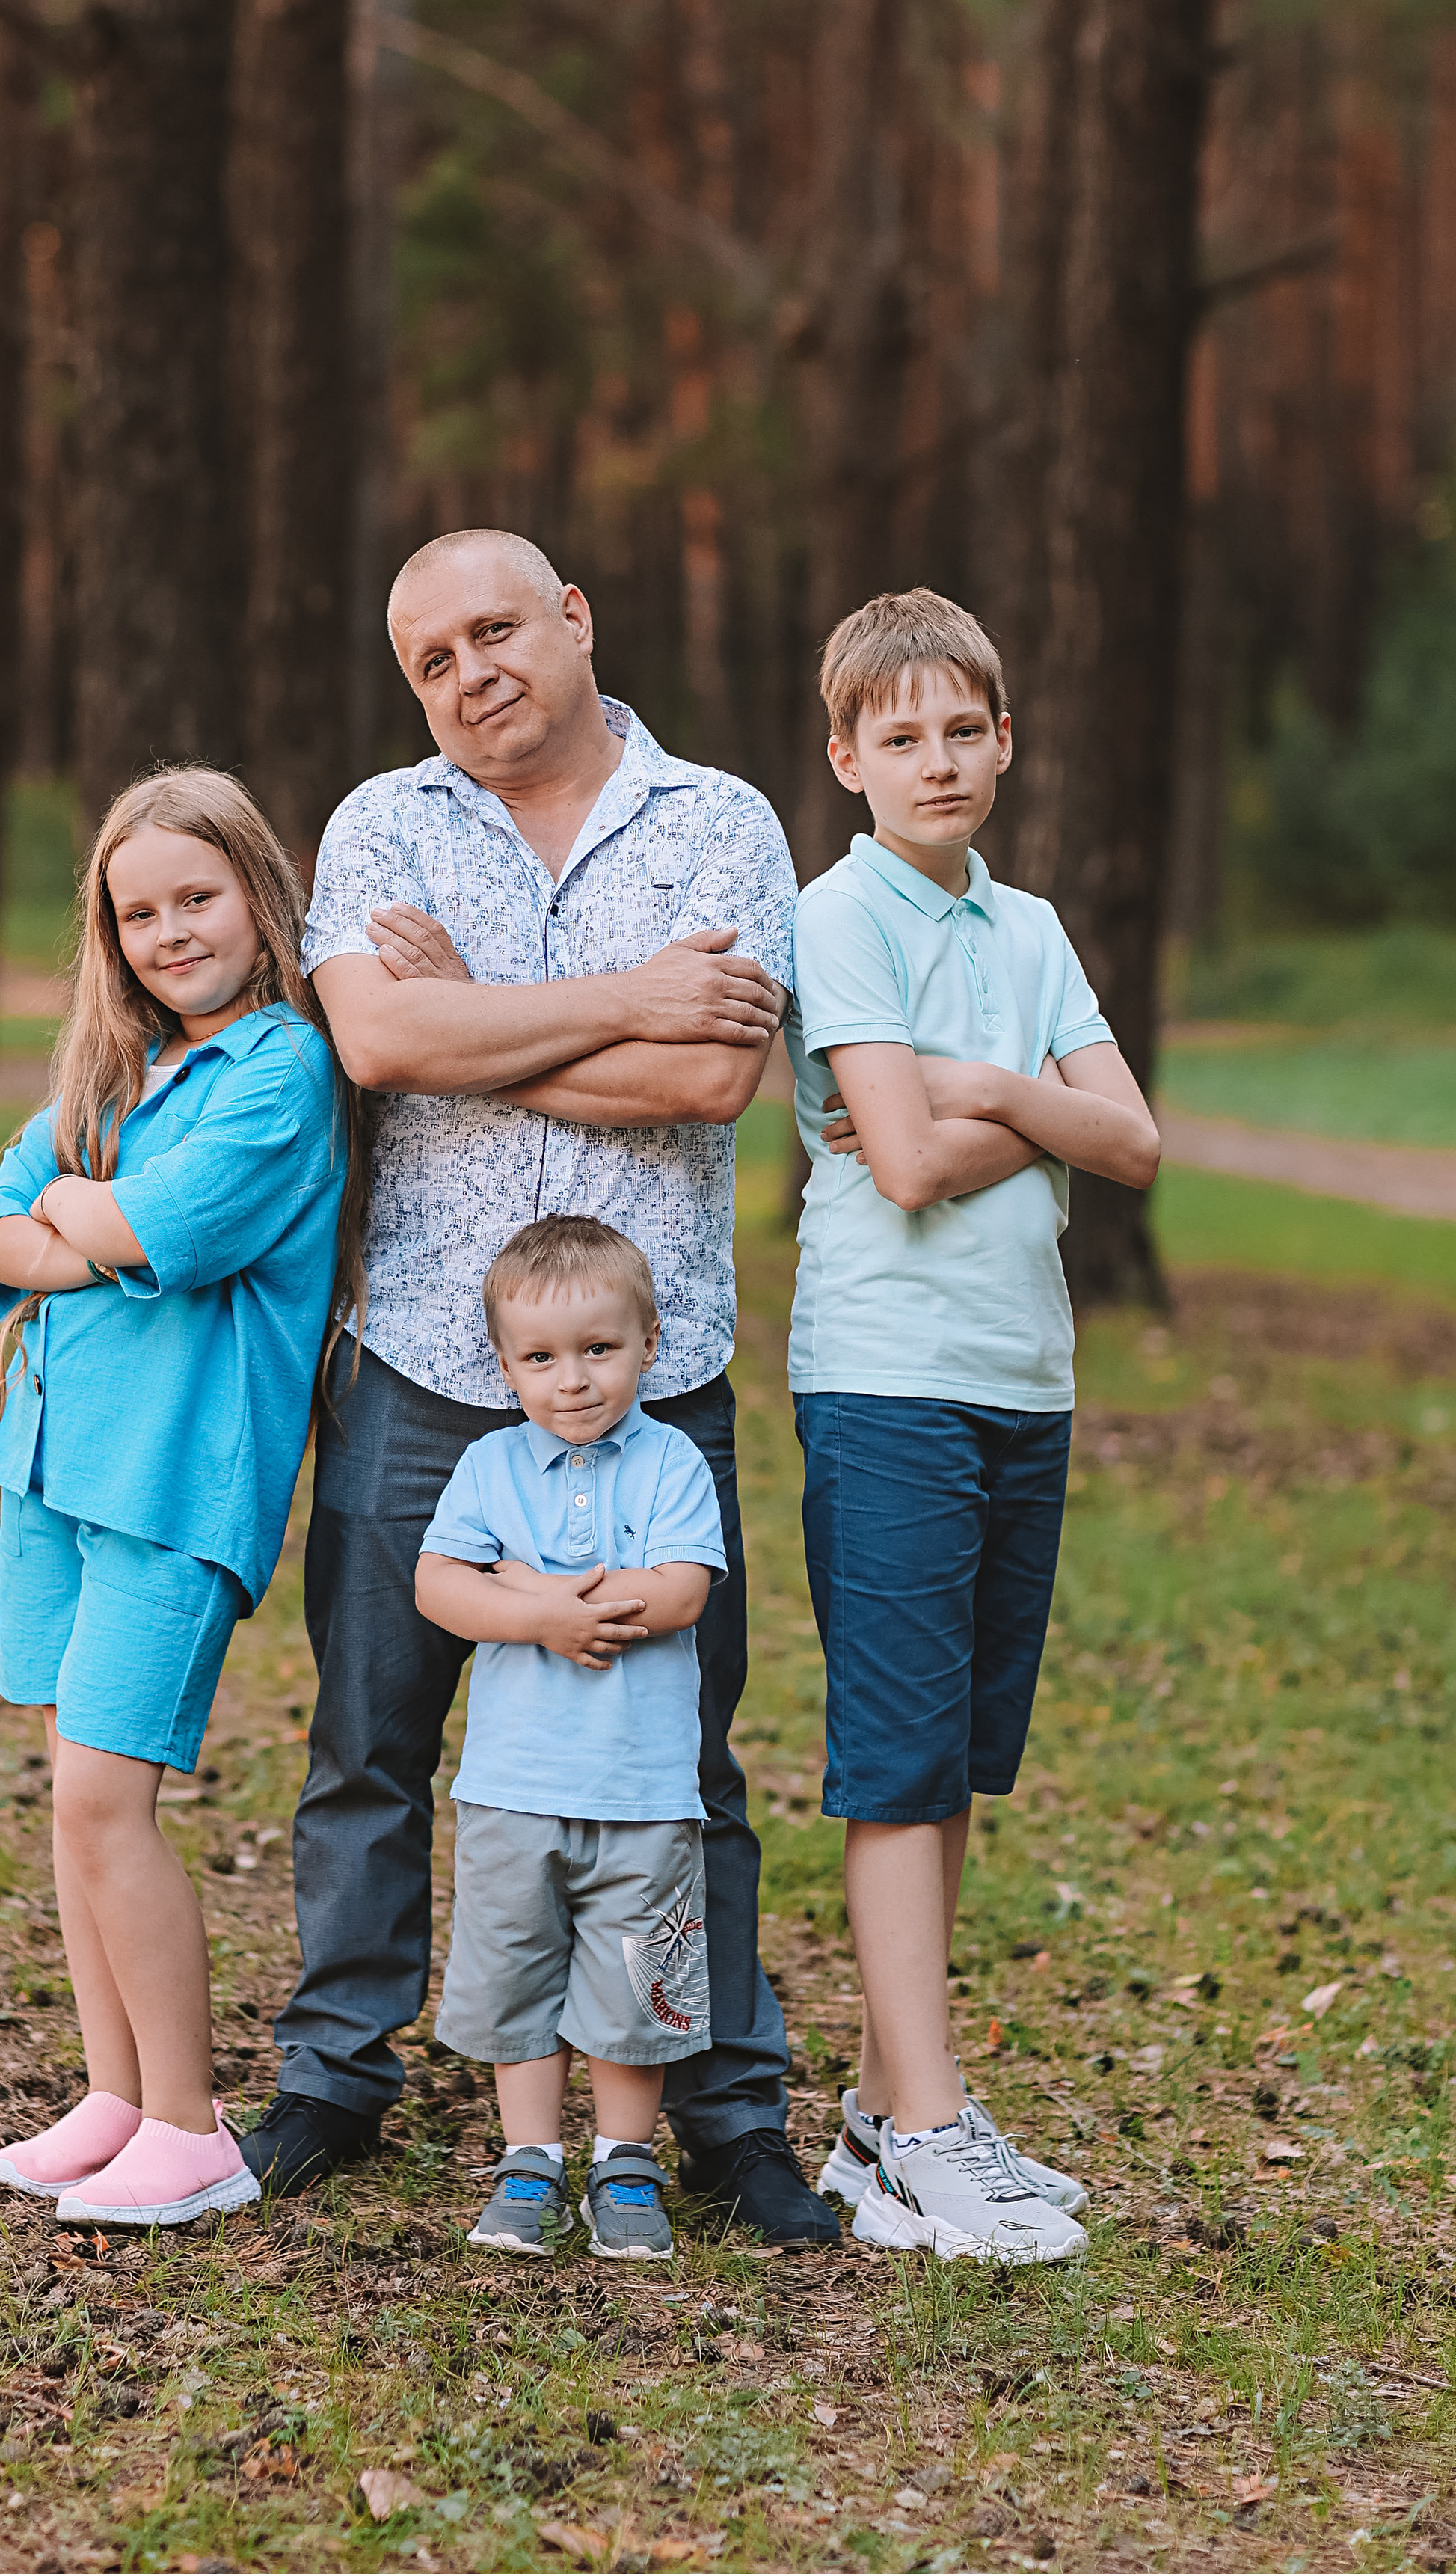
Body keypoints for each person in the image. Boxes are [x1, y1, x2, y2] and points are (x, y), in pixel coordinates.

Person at [243, 525, 838, 2247]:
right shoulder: (379, 823)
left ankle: (722, 2101)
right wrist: (618, 1007)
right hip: (425, 1363)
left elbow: (714, 1072)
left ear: (573, 619)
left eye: (493, 632)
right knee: (369, 1740)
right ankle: (335, 2072)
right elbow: (375, 1043)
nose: (467, 675)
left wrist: (484, 1014)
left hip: (655, 1385)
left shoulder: (716, 817)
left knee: (682, 1757)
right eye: (428, 660)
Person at [785, 589, 1160, 2262]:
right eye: (898, 736)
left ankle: (887, 2116)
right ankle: (926, 2135)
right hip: (883, 1375)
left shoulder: (1031, 929)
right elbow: (903, 1163)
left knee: (953, 1767)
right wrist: (1038, 1110)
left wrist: (997, 1087)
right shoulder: (837, 917)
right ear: (845, 758)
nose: (933, 761)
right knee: (892, 1761)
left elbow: (1132, 1143)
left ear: (1000, 741)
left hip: (1023, 1376)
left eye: (961, 731)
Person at [0, 769, 358, 2230]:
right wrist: (77, 1223)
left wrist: (82, 1215)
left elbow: (163, 1225)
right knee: (70, 1804)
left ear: (258, 894)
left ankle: (187, 2128)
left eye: (197, 897)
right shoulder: (110, 1076)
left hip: (179, 1487)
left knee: (105, 1798)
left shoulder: (282, 1071)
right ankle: (115, 2094)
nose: (170, 931)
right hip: (55, 1467)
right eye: (139, 913)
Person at [417, 1216, 728, 2262]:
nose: (575, 1381)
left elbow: (682, 1590)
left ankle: (625, 2165)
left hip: (643, 1795)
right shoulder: (491, 1467)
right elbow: (436, 1584)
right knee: (520, 1979)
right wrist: (539, 1614)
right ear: (505, 1367)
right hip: (513, 1787)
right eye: (542, 1359)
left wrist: (536, 1587)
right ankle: (531, 2160)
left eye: (600, 1349)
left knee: (635, 1987)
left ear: (649, 1342)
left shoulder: (673, 1460)